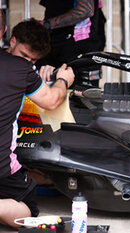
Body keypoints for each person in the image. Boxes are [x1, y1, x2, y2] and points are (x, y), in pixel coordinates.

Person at [0, 17, 75, 228]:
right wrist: (63, 80)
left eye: (33, 61)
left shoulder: (26, 69)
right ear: (11, 40)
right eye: (24, 56)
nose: (27, 63)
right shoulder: (22, 70)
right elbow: (52, 100)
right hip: (3, 167)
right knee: (28, 211)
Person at [38, 0, 106, 83]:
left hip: (79, 45)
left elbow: (86, 10)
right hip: (58, 44)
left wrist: (47, 24)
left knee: (80, 92)